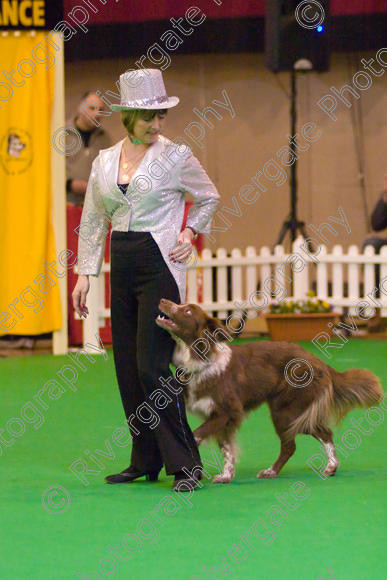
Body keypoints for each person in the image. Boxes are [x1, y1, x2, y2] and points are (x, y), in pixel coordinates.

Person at [72, 69, 220, 492]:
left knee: (152, 366)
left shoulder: (176, 156)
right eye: (149, 116)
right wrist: (85, 274)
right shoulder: (103, 162)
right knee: (127, 369)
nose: (157, 125)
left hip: (159, 264)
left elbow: (209, 195)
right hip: (123, 261)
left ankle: (186, 464)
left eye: (162, 116)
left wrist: (189, 232)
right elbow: (93, 219)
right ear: (129, 116)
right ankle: (145, 460)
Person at [66, 92, 112, 206]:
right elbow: (48, 168)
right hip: (65, 204)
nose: (97, 113)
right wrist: (69, 184)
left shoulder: (105, 139)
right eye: (92, 108)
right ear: (80, 108)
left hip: (93, 207)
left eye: (101, 110)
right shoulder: (62, 134)